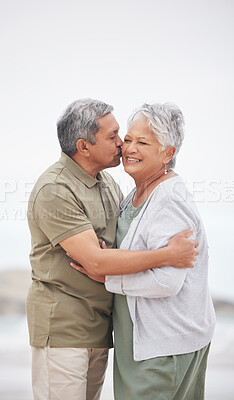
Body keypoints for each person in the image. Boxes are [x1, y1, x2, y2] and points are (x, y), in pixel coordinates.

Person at [26, 98, 198, 400]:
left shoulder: (107, 184)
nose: (122, 144)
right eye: (114, 136)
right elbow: (96, 262)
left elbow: (120, 250)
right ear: (84, 146)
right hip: (65, 329)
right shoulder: (55, 188)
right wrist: (168, 255)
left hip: (100, 329)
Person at [70, 102, 216, 400]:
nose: (129, 148)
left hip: (165, 347)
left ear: (168, 153)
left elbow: (166, 282)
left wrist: (106, 278)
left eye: (143, 142)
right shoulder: (136, 194)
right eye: (129, 139)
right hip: (146, 343)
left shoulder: (169, 202)